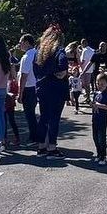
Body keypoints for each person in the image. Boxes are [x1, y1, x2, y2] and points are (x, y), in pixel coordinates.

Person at [33, 25, 69, 159]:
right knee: (54, 118)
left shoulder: (39, 51)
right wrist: (56, 75)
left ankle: (41, 146)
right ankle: (52, 148)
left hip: (42, 87)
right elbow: (62, 69)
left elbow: (35, 70)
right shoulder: (59, 51)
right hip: (56, 89)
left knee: (43, 117)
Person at [15, 34, 38, 146]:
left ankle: (34, 137)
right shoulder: (36, 53)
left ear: (27, 42)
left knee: (29, 114)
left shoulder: (27, 56)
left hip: (28, 88)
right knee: (32, 113)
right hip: (36, 86)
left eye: (21, 42)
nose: (19, 44)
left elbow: (24, 76)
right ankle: (36, 136)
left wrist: (20, 93)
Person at [91, 72, 107, 166]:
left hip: (102, 119)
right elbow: (94, 104)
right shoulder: (96, 93)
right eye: (98, 84)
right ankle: (99, 153)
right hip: (95, 118)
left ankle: (103, 156)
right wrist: (93, 105)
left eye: (102, 84)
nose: (100, 86)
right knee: (95, 137)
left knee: (101, 138)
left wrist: (98, 105)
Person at [5, 74, 21, 148]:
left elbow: (15, 92)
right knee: (4, 121)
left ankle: (17, 138)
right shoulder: (8, 81)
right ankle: (5, 138)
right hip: (6, 102)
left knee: (11, 120)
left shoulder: (12, 82)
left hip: (9, 103)